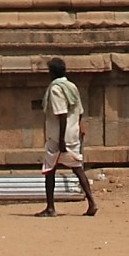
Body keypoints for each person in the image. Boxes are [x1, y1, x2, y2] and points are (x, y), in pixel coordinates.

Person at [38, 57, 97, 217]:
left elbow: (61, 114)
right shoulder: (71, 86)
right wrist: (77, 129)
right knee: (77, 167)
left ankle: (50, 208)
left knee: (49, 170)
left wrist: (62, 140)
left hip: (59, 137)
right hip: (72, 132)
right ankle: (91, 201)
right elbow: (80, 111)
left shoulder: (56, 89)